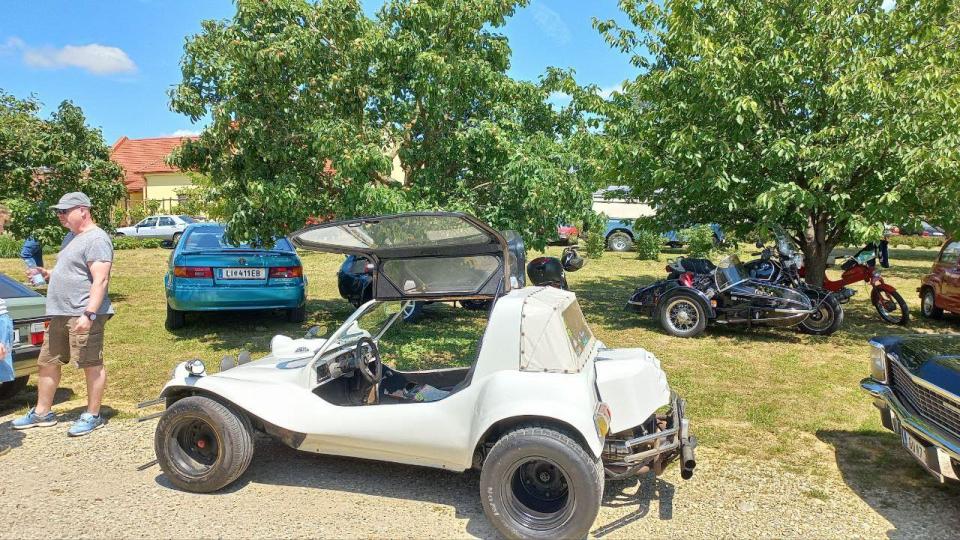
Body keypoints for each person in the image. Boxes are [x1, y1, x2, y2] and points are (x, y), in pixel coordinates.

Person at [12, 192, 114, 437]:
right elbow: (72, 271)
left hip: (83, 312)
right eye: (58, 211)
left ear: (83, 211)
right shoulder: (71, 237)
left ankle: (93, 415)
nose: (60, 215)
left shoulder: (97, 239)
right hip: (60, 312)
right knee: (47, 362)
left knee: (91, 364)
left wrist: (89, 314)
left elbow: (101, 280)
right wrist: (47, 274)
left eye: (64, 211)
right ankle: (42, 413)